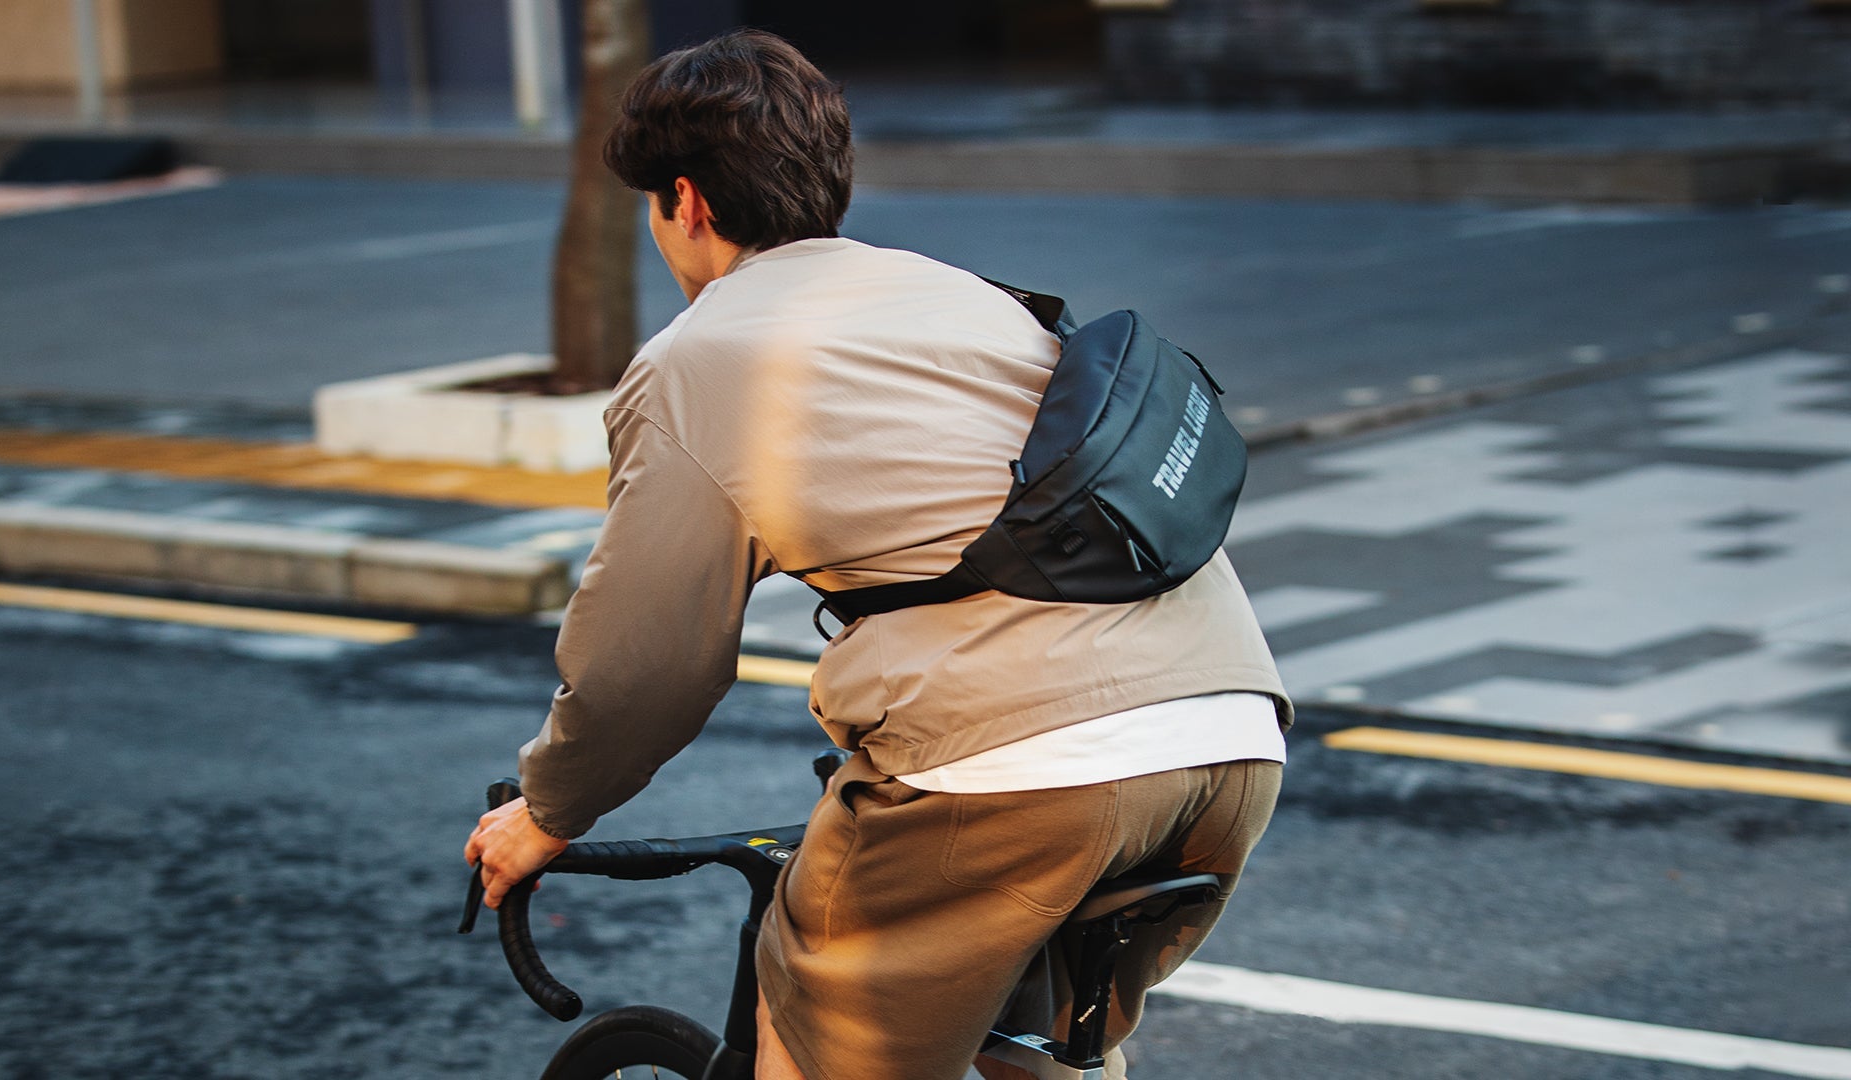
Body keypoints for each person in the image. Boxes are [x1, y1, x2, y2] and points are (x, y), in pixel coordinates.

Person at [464, 29, 1290, 1080]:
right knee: (1033, 1058)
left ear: (688, 202)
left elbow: (644, 663)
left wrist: (545, 813)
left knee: (814, 1046)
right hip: (1227, 734)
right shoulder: (964, 295)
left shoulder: (698, 360)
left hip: (1020, 770)